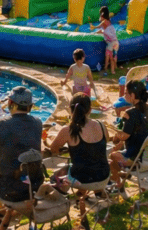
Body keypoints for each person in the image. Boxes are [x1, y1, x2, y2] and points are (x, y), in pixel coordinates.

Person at [0, 85, 44, 230]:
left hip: (9, 192)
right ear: (30, 106)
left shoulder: (1, 124)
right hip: (34, 188)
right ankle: (5, 219)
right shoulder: (38, 123)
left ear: (10, 103)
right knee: (16, 180)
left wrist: (2, 152)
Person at [46, 93, 110, 223]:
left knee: (58, 175)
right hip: (104, 176)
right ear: (90, 110)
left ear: (70, 109)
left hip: (83, 180)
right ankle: (88, 194)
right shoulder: (101, 124)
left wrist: (48, 140)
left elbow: (53, 149)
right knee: (87, 163)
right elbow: (106, 141)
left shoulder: (68, 130)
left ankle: (64, 204)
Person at [109, 80, 148, 190]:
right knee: (117, 151)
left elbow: (124, 136)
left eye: (126, 93)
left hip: (136, 157)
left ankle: (118, 186)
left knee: (112, 157)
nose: (124, 95)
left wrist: (115, 135)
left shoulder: (130, 113)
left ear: (133, 95)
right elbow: (137, 131)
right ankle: (124, 176)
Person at [94, 6, 118, 75]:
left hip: (111, 42)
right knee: (112, 56)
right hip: (115, 41)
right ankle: (113, 68)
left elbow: (101, 27)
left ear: (102, 14)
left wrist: (95, 29)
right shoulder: (108, 22)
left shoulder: (104, 21)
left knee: (109, 56)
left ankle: (108, 69)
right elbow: (105, 30)